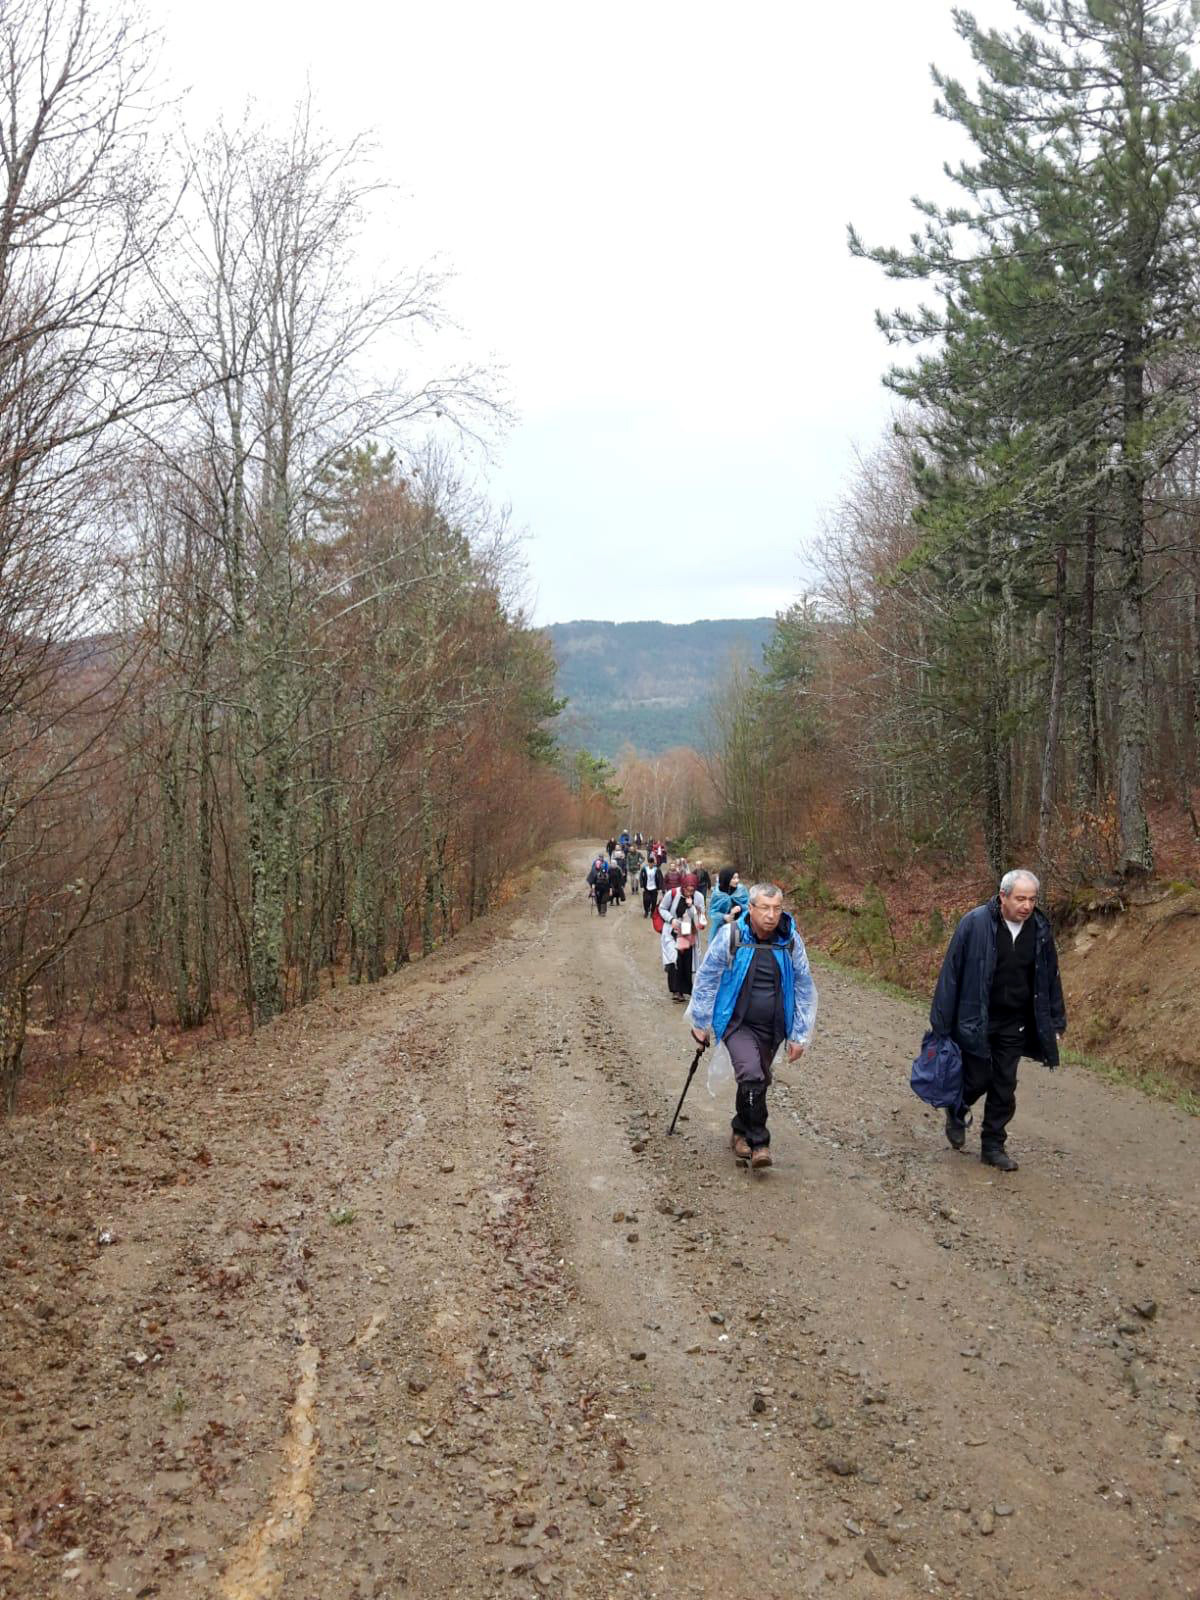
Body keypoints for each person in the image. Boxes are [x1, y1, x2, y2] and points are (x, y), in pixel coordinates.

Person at [931, 869, 1066, 1172]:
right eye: (1020, 898)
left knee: (1005, 1084)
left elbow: (1049, 976)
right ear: (1003, 896)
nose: (1027, 906)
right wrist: (941, 1021)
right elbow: (951, 972)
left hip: (1015, 1021)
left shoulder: (1040, 929)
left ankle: (993, 1145)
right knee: (979, 1076)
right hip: (976, 1017)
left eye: (1032, 899)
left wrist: (1056, 1021)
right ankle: (957, 1108)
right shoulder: (975, 923)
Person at [689, 883, 817, 1169]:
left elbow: (804, 986)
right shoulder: (731, 936)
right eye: (765, 908)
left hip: (774, 1028)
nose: (772, 915)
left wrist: (799, 1034)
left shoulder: (790, 940)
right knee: (752, 1074)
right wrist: (700, 1022)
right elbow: (708, 977)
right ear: (751, 908)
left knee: (757, 1079)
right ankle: (760, 1142)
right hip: (737, 1022)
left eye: (777, 908)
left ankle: (739, 1130)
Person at [707, 867, 748, 931]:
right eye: (734, 878)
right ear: (726, 879)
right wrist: (724, 917)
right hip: (721, 928)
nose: (737, 880)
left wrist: (740, 907)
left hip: (741, 926)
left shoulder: (741, 890)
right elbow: (713, 912)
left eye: (738, 877)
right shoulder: (717, 894)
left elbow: (749, 906)